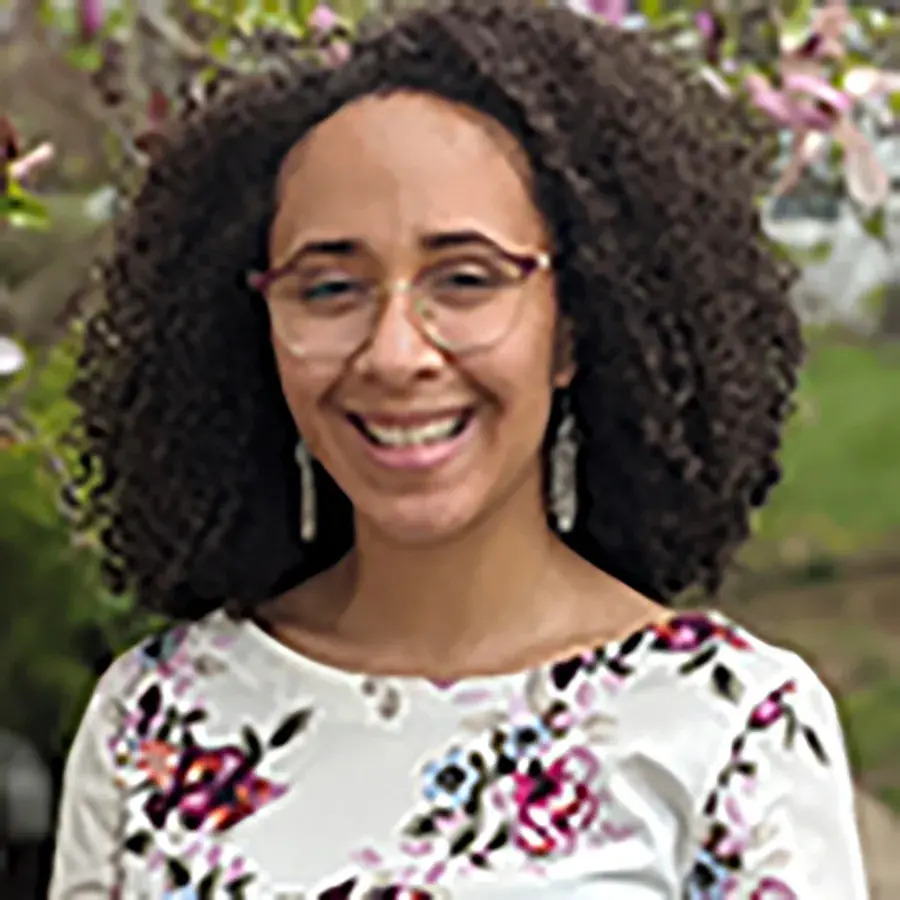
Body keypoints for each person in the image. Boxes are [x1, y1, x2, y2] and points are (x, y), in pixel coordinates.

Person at [49, 1, 869, 896]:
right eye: (329, 286)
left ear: (575, 328)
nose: (396, 352)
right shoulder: (153, 723)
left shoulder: (732, 731)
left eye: (467, 279)